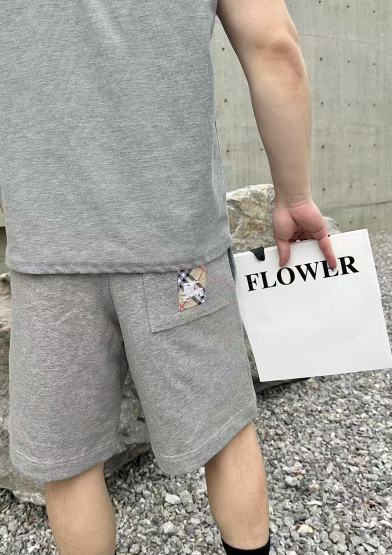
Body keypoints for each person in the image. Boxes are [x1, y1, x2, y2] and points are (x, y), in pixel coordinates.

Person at [1, 0, 337, 553]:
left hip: (48, 246)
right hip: (178, 249)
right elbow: (274, 47)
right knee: (225, 434)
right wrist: (294, 196)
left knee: (71, 466)